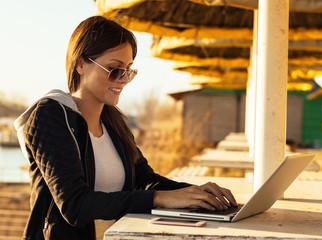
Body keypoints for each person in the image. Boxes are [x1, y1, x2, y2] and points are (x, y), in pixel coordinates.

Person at [14, 16, 237, 240]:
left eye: (129, 70)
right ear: (81, 64)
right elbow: (74, 205)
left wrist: (197, 193)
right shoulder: (50, 115)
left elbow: (144, 179)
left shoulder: (113, 121)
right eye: (114, 69)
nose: (123, 79)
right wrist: (158, 198)